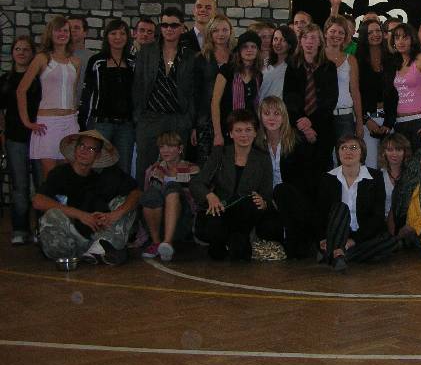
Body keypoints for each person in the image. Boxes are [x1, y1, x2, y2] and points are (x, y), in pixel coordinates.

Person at [33, 130, 139, 264]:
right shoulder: (60, 173)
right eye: (81, 146)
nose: (84, 151)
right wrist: (80, 215)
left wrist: (115, 214)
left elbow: (136, 192)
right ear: (75, 149)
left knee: (125, 203)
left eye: (91, 149)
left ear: (98, 155)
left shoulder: (105, 175)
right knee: (52, 214)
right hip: (65, 240)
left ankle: (99, 249)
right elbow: (38, 201)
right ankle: (101, 251)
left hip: (94, 238)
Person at [190, 109, 275, 261]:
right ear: (230, 133)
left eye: (248, 130)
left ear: (255, 133)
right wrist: (209, 196)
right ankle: (226, 241)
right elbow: (197, 183)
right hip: (221, 209)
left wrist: (263, 202)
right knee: (213, 234)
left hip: (245, 215)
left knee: (250, 205)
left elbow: (267, 194)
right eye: (238, 130)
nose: (244, 135)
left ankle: (237, 240)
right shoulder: (220, 154)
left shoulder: (263, 159)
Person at [133, 7, 196, 188]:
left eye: (174, 25)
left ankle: (177, 202)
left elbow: (193, 91)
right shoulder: (146, 52)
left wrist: (190, 121)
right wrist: (139, 117)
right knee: (144, 166)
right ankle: (144, 202)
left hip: (178, 119)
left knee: (178, 170)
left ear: (182, 27)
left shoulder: (190, 55)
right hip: (151, 118)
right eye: (165, 25)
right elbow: (138, 86)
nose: (169, 29)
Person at [314, 135, 397, 271]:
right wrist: (323, 238)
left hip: (362, 235)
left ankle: (338, 253)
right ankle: (337, 250)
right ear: (338, 153)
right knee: (341, 208)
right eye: (343, 148)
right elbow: (320, 214)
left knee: (390, 241)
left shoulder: (375, 177)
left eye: (353, 148)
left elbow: (377, 217)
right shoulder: (328, 178)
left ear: (362, 152)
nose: (348, 151)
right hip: (337, 231)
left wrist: (353, 241)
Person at [17, 14, 81, 181]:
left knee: (68, 175)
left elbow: (73, 93)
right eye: (58, 30)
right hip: (48, 123)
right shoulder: (42, 58)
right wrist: (27, 122)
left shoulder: (75, 62)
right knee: (51, 176)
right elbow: (21, 90)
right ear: (50, 33)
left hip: (70, 122)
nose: (62, 34)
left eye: (65, 31)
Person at [257, 96, 314, 258]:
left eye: (277, 113)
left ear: (284, 116)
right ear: (260, 117)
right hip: (269, 200)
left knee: (282, 190)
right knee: (266, 229)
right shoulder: (257, 144)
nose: (272, 118)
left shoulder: (298, 140)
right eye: (267, 113)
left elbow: (307, 180)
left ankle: (297, 240)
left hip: (294, 200)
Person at [79, 18, 136, 177]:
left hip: (126, 126)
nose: (118, 37)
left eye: (122, 33)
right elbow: (88, 93)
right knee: (96, 168)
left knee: (123, 170)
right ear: (107, 36)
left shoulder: (133, 62)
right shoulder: (97, 61)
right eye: (113, 33)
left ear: (128, 37)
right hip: (101, 124)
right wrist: (84, 123)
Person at [283, 23, 338, 178]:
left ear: (320, 42)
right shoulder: (292, 65)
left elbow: (330, 99)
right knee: (298, 172)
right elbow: (289, 98)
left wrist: (311, 122)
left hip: (323, 127)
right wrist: (304, 125)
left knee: (320, 172)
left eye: (313, 37)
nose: (309, 41)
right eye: (305, 37)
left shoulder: (329, 67)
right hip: (297, 127)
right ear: (300, 41)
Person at [0, 35, 40, 244]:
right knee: (20, 185)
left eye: (26, 49)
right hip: (15, 138)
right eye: (18, 49)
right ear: (12, 52)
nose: (22, 53)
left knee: (42, 184)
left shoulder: (39, 79)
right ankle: (20, 229)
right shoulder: (5, 80)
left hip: (39, 137)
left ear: (33, 53)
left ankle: (42, 229)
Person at [140, 131, 199, 262]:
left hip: (183, 219)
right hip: (157, 219)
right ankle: (156, 243)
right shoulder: (154, 169)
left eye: (170, 146)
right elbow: (148, 199)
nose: (165, 150)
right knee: (151, 194)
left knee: (172, 188)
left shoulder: (192, 169)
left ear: (180, 149)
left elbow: (196, 200)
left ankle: (167, 243)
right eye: (162, 147)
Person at [383, 23, 421, 152]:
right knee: (404, 163)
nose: (401, 41)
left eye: (405, 37)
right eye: (397, 37)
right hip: (400, 123)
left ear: (413, 39)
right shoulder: (396, 63)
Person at [192, 13, 233, 166]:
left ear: (231, 32)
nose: (221, 34)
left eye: (225, 30)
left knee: (228, 163)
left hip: (231, 117)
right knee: (206, 164)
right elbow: (195, 94)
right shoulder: (201, 58)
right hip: (206, 119)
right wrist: (194, 126)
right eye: (216, 30)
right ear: (210, 33)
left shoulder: (236, 57)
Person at [211, 31, 263, 146]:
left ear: (258, 51)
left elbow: (256, 104)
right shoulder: (226, 70)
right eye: (245, 47)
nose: (249, 50)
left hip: (250, 129)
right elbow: (215, 103)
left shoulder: (258, 75)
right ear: (239, 50)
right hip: (229, 128)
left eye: (253, 47)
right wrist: (217, 134)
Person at [324, 15, 364, 144]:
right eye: (333, 31)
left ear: (345, 36)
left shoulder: (350, 59)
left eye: (341, 32)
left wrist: (359, 122)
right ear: (325, 33)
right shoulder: (317, 57)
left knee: (347, 154)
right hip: (322, 115)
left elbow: (355, 92)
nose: (336, 35)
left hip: (345, 116)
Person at [355, 19, 389, 169]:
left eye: (378, 31)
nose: (375, 34)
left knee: (389, 166)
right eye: (370, 32)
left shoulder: (390, 58)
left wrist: (389, 122)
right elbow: (355, 93)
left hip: (389, 119)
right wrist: (366, 120)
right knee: (371, 165)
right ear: (364, 35)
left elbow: (394, 93)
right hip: (368, 119)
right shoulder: (357, 60)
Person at [378, 132, 411, 231]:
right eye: (390, 150)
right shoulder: (377, 176)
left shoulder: (411, 176)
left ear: (405, 152)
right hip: (382, 223)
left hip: (407, 223)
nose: (394, 154)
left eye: (398, 150)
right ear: (384, 152)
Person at [258, 25, 297, 101]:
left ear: (290, 44)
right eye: (275, 39)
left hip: (279, 107)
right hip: (261, 105)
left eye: (283, 40)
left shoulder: (293, 67)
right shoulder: (266, 62)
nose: (278, 43)